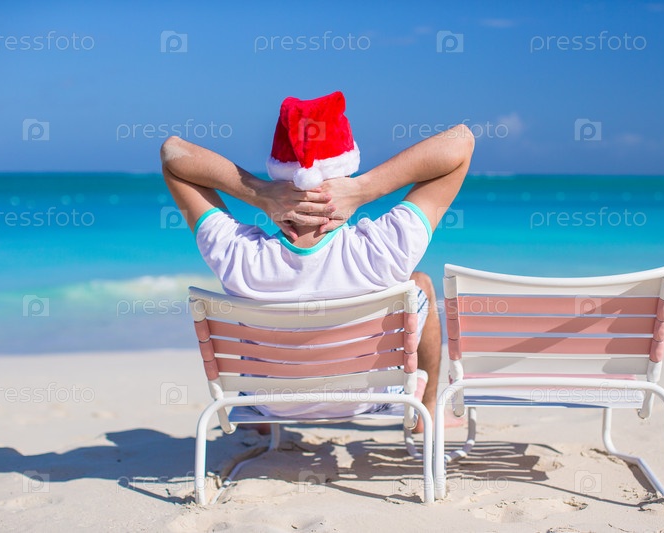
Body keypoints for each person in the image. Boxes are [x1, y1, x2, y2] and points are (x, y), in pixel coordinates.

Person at [161, 91, 473, 431]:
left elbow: (173, 154)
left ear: (280, 179)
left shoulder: (238, 254)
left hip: (268, 402)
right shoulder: (384, 248)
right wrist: (365, 189)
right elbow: (461, 141)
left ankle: (265, 420)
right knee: (420, 283)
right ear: (345, 170)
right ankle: (427, 413)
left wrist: (258, 193)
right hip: (368, 399)